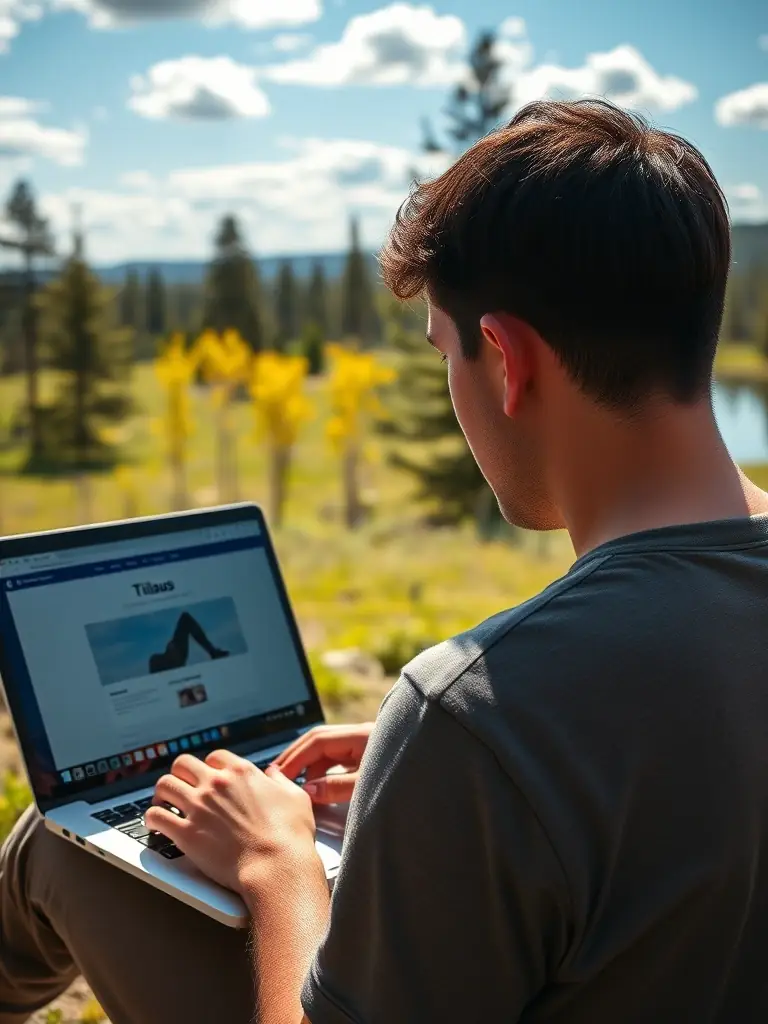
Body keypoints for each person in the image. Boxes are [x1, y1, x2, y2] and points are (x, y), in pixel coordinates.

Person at [2, 98, 768, 1024]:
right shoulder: (492, 735)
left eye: (445, 349)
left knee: (50, 845)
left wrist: (280, 865)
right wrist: (444, 795)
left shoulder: (481, 710)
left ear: (506, 359)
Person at [148, 610, 229, 674]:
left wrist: (168, 649)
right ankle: (213, 652)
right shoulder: (155, 660)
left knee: (185, 618)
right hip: (173, 662)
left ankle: (213, 652)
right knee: (154, 659)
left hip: (174, 658)